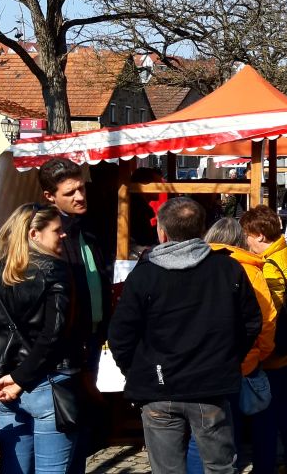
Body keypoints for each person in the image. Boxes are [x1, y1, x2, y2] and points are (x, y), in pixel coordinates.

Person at [109, 198, 262, 474]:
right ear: (203, 230)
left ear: (162, 232)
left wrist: (138, 371)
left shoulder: (147, 274)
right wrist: (226, 360)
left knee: (178, 469)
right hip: (199, 383)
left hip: (166, 385)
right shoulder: (226, 269)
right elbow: (250, 323)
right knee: (219, 468)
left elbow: (121, 334)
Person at [0, 204, 78, 474]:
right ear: (34, 234)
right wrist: (20, 379)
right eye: (56, 230)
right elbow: (54, 333)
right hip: (47, 384)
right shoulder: (55, 270)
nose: (63, 235)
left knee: (13, 469)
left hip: (5, 388)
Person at [185, 218, 278, 474]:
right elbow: (267, 320)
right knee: (261, 422)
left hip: (204, 363)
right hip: (245, 362)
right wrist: (261, 353)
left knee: (205, 434)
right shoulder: (251, 270)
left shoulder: (193, 266)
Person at [38, 158, 110, 473]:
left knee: (82, 420)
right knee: (67, 422)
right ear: (50, 196)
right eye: (70, 192)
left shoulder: (87, 228)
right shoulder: (52, 236)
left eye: (81, 188)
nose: (80, 196)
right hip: (66, 344)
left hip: (91, 337)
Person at [240, 205, 287, 474]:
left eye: (247, 235)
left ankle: (265, 467)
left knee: (266, 416)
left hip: (276, 351)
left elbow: (267, 316)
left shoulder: (269, 267)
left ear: (259, 235)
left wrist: (259, 352)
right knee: (285, 406)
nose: (245, 241)